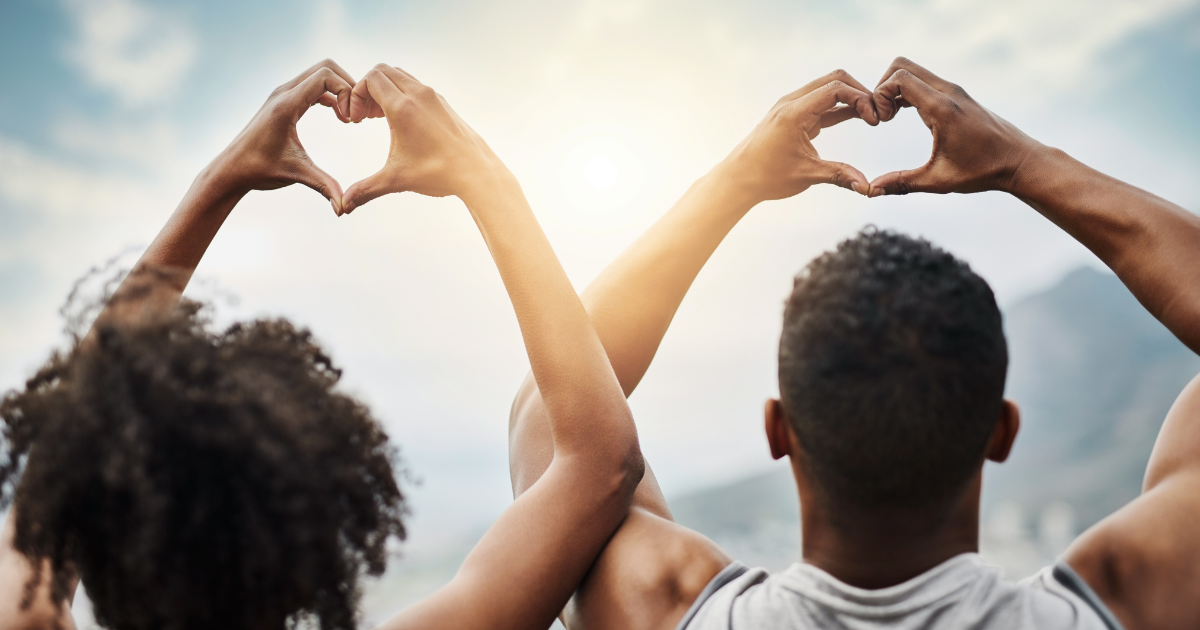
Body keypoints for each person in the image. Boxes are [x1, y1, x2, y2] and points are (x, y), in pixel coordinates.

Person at [509, 58, 1200, 630]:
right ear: (1002, 430)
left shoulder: (667, 607)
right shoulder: (1126, 602)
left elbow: (556, 407)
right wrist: (1021, 163)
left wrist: (733, 185)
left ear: (779, 429)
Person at [0, 59, 644, 630]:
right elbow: (602, 462)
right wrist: (484, 179)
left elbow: (71, 445)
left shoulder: (21, 612)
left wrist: (219, 180)